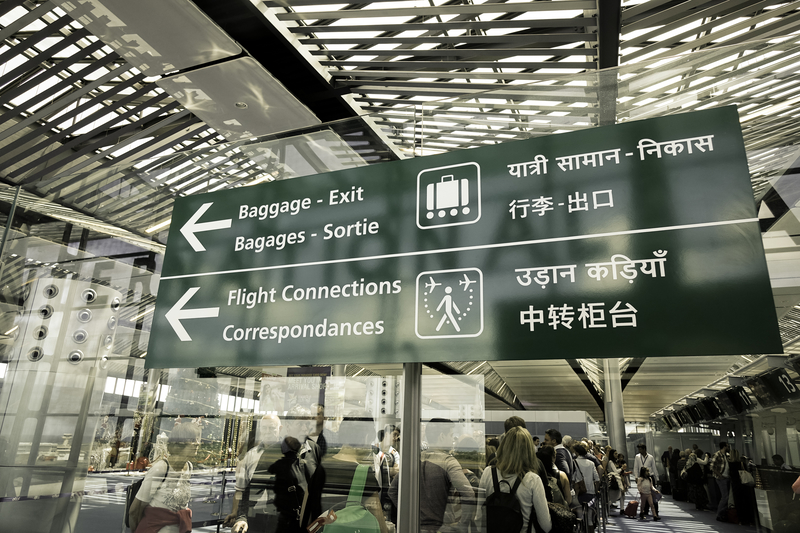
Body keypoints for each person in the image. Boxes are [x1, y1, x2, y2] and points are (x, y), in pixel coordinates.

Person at [390, 418, 475, 532]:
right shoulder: (448, 462)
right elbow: (468, 494)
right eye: (450, 435)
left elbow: (392, 491)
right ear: (442, 436)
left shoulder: (414, 459)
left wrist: (407, 514)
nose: (452, 440)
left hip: (415, 527)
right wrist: (462, 524)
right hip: (442, 528)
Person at [130, 419, 202, 533]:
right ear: (179, 443)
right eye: (192, 440)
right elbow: (136, 509)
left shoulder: (188, 466)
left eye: (198, 440)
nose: (197, 443)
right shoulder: (161, 468)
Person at [479, 427, 552, 533]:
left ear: (504, 446)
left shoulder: (488, 472)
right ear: (528, 450)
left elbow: (479, 515)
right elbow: (546, 525)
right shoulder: (532, 479)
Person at [326, 411, 388, 533]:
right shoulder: (364, 474)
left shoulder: (320, 468)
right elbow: (380, 525)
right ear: (366, 437)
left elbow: (304, 515)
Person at [633, 444, 659, 519]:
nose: (639, 451)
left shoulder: (650, 457)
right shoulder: (637, 457)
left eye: (640, 449)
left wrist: (657, 478)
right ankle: (645, 510)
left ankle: (656, 512)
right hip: (642, 477)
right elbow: (636, 467)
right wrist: (636, 477)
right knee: (644, 494)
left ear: (644, 449)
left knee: (652, 494)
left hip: (650, 476)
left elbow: (654, 467)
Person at [711, 442, 730, 523]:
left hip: (726, 477)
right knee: (725, 496)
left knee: (726, 496)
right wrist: (720, 475)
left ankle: (722, 513)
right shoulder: (717, 455)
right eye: (727, 446)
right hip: (721, 478)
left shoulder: (726, 455)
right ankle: (719, 514)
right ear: (724, 446)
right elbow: (712, 467)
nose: (728, 447)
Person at [602, 449, 624, 513]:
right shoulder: (610, 462)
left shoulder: (616, 461)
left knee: (621, 493)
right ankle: (608, 509)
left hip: (617, 479)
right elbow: (616, 471)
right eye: (615, 454)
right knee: (611, 495)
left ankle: (622, 509)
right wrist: (622, 468)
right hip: (613, 480)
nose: (617, 455)